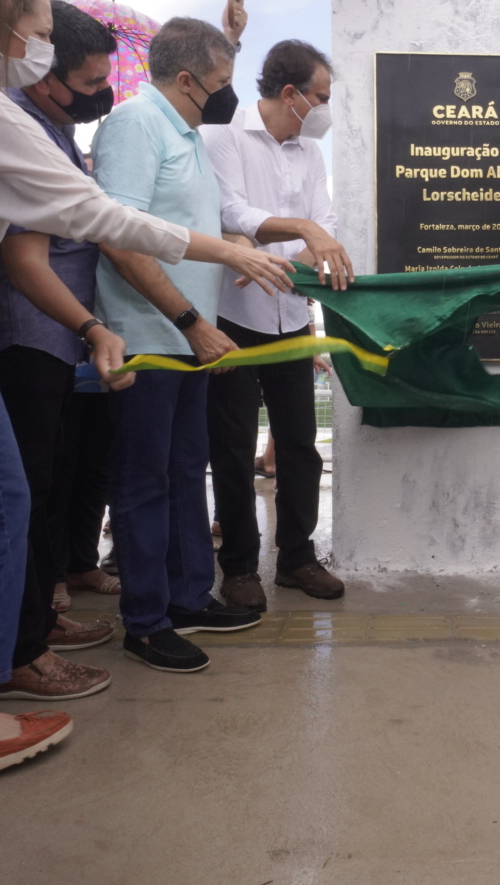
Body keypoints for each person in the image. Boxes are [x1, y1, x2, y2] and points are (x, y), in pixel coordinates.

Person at [0, 0, 291, 797]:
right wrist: (219, 256)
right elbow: (100, 218)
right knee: (0, 503)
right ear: (1, 25)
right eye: (45, 34)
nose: (50, 54)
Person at [95, 17, 286, 671]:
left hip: (187, 340)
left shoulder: (189, 137)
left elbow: (187, 226)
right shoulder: (135, 125)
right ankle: (145, 621)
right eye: (219, 86)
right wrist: (190, 321)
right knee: (144, 481)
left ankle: (185, 597)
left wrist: (236, 246)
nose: (225, 98)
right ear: (185, 80)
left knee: (183, 473)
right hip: (152, 338)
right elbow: (119, 237)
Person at [0, 0, 128, 704]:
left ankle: (36, 622)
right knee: (23, 493)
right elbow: (28, 254)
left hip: (52, 342)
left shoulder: (55, 128)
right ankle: (19, 651)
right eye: (90, 81)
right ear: (44, 75)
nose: (100, 94)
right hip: (24, 334)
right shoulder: (21, 130)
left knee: (47, 486)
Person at [203, 39, 350, 610]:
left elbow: (326, 221)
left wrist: (304, 248)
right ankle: (239, 565)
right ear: (290, 95)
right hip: (232, 316)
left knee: (299, 445)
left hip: (292, 314)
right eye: (321, 97)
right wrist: (304, 234)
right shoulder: (224, 137)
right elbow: (231, 213)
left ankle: (296, 557)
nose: (324, 109)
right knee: (233, 447)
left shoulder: (310, 155)